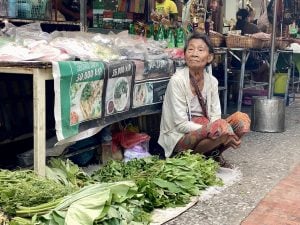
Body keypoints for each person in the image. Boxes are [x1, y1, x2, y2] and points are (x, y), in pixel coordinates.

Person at [158, 32, 250, 167]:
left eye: (200, 50)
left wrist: (217, 129)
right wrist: (211, 129)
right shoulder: (177, 81)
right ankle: (192, 159)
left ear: (210, 57)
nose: (194, 53)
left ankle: (212, 154)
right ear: (185, 55)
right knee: (220, 128)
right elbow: (180, 124)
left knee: (241, 120)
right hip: (179, 136)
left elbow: (215, 115)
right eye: (190, 49)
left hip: (206, 129)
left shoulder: (212, 81)